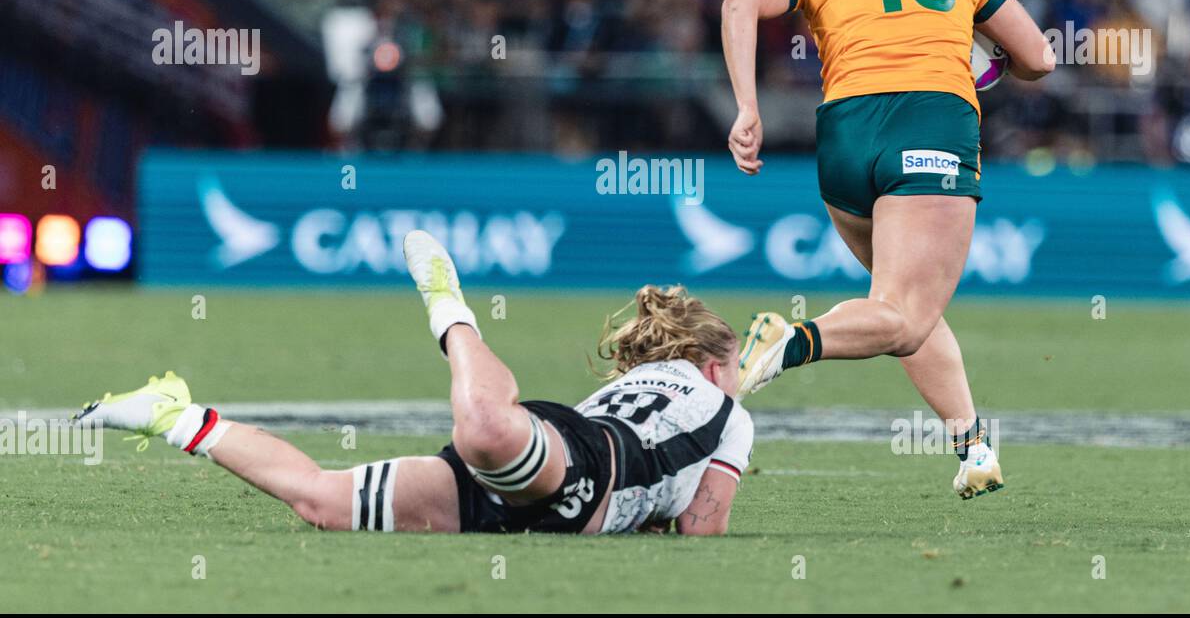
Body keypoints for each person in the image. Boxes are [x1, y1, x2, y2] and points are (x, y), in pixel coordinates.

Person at [720, 0, 1054, 499]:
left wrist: (748, 109)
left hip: (845, 138)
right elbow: (1041, 58)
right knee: (903, 315)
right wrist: (983, 60)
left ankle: (973, 444)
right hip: (929, 122)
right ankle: (790, 342)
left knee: (900, 308)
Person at [72, 232, 753, 535]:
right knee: (485, 427)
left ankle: (175, 416)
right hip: (574, 480)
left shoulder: (642, 385)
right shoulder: (729, 410)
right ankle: (449, 307)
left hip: (543, 474)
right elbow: (701, 527)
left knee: (323, 503)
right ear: (715, 366)